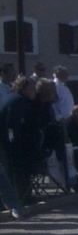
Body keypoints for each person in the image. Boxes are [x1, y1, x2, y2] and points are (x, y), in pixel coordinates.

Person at [0, 75, 41, 212]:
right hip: (5, 141)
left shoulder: (13, 98)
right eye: (31, 88)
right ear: (23, 89)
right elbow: (12, 125)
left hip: (5, 139)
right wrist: (14, 143)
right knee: (15, 168)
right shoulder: (19, 101)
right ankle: (22, 197)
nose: (35, 91)